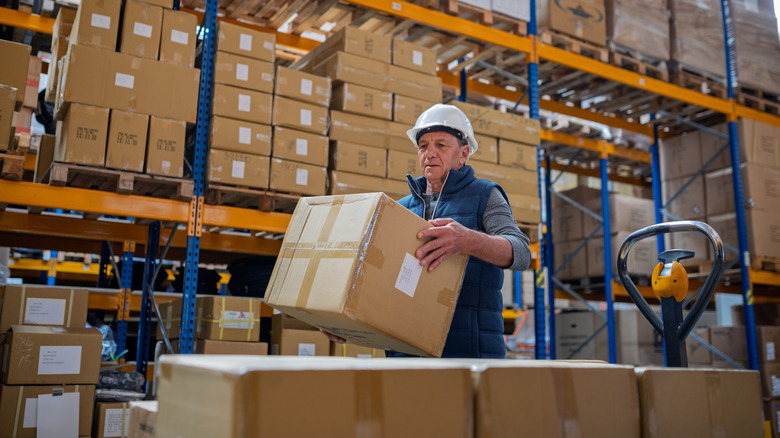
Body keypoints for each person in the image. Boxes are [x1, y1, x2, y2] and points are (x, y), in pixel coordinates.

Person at [324, 104, 532, 359]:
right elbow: (377, 275)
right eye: (423, 146)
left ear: (463, 153)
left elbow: (521, 253)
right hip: (404, 353)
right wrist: (345, 318)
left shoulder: (485, 195)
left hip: (468, 354)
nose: (430, 153)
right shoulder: (399, 209)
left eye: (441, 145)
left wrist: (467, 240)